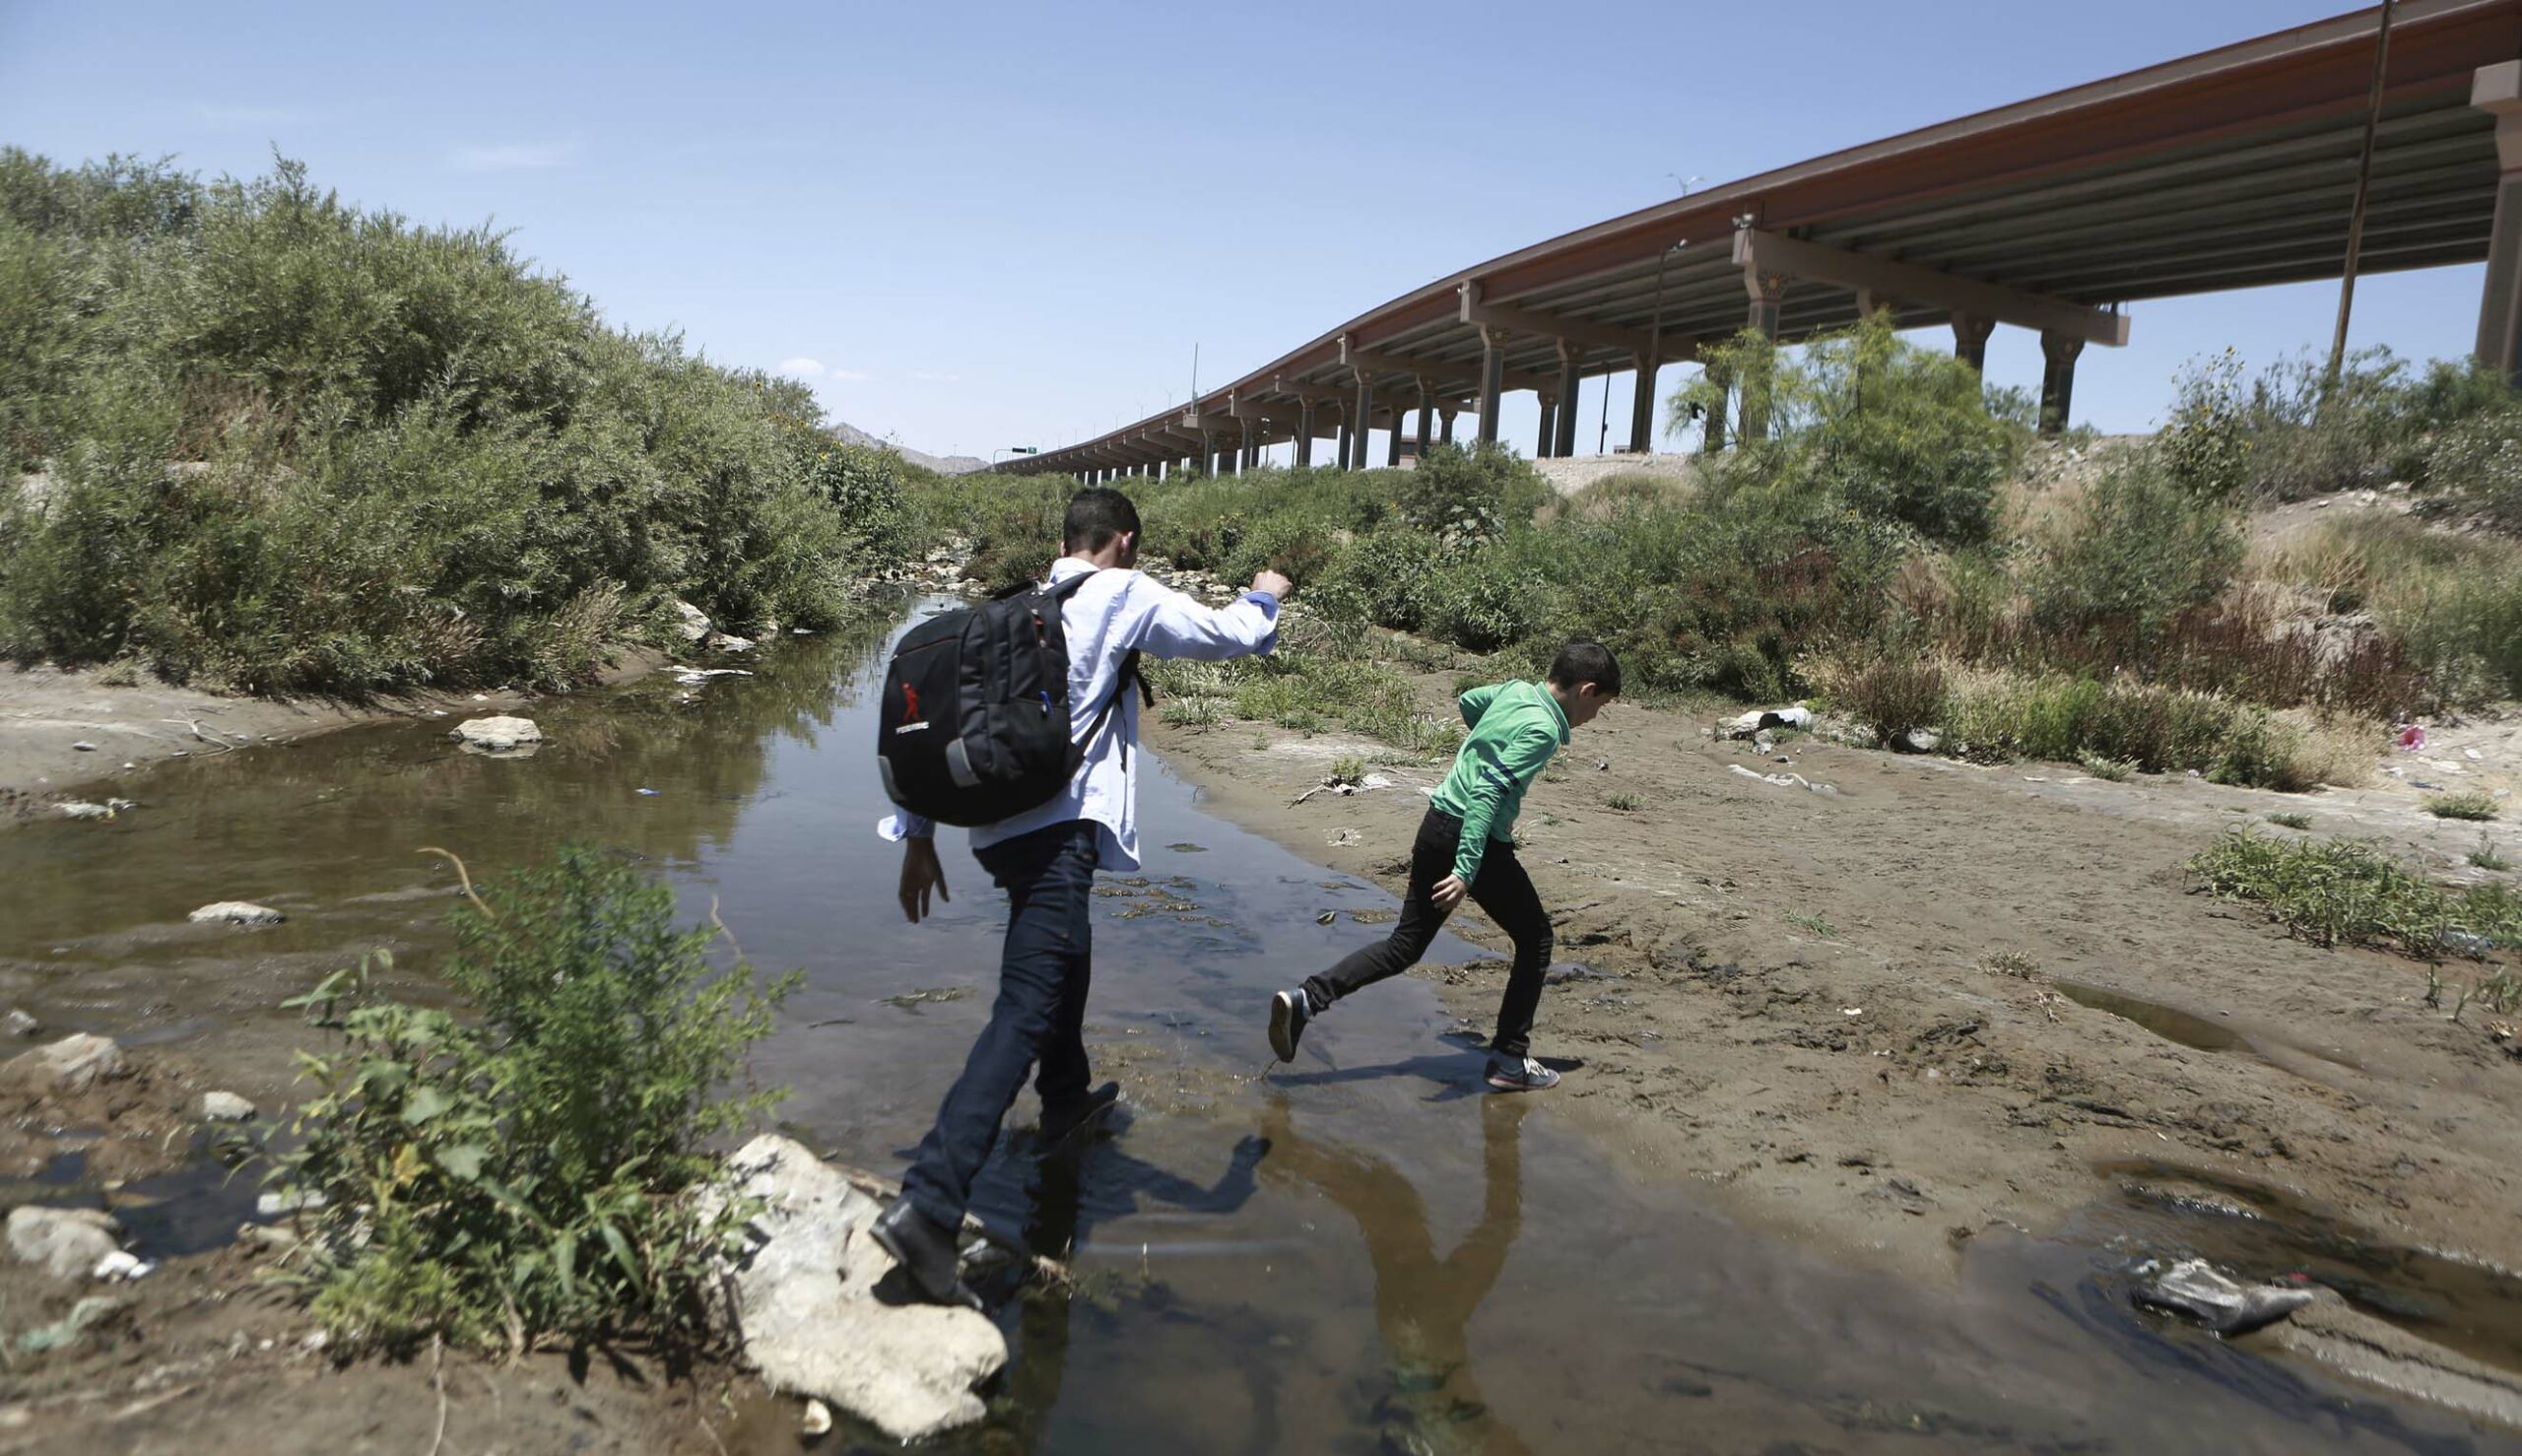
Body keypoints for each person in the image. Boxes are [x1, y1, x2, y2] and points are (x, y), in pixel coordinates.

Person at [873, 486, 1290, 1304]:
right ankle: (928, 1201)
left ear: (1065, 540)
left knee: (1066, 956)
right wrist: (1266, 595)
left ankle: (1064, 1102)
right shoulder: (1121, 592)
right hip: (1060, 834)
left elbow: (944, 718)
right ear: (1124, 542)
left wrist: (917, 838)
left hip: (995, 830)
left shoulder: (1016, 606)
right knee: (1027, 1002)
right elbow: (1227, 636)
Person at [1266, 642, 1620, 1092]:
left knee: (1405, 945)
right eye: (1601, 706)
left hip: (1436, 822)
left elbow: (1470, 702)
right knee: (1536, 940)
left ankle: (1306, 999)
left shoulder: (1514, 692)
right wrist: (1466, 870)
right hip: (1476, 841)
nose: (1594, 719)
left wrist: (1485, 743)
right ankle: (1510, 1060)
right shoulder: (1545, 729)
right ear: (1587, 690)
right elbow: (1489, 793)